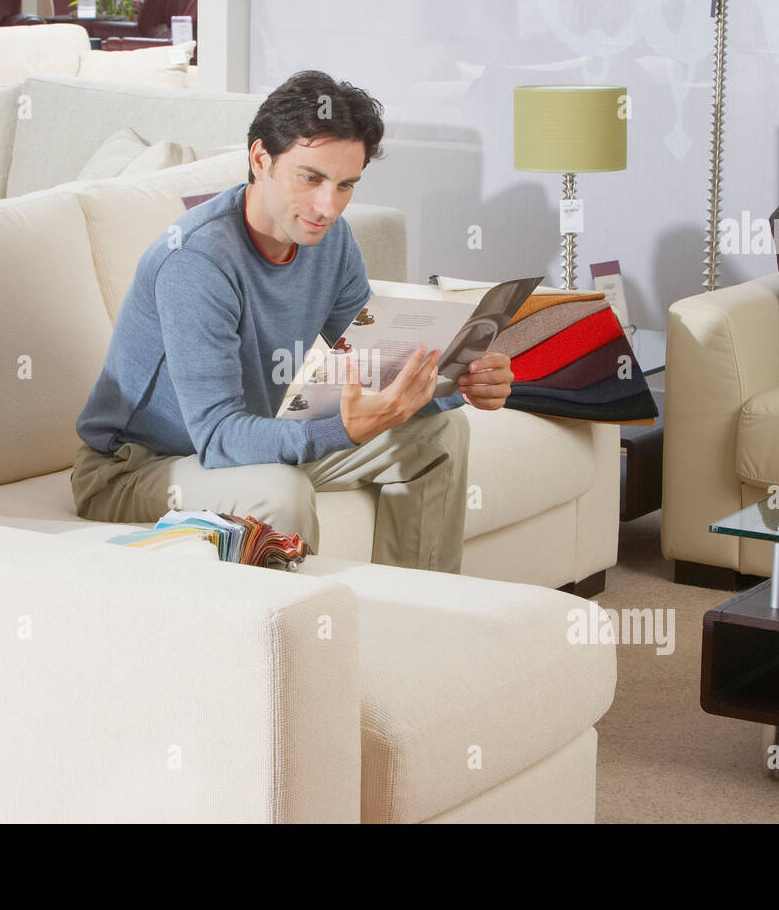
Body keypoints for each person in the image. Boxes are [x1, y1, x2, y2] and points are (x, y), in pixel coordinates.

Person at [71, 70, 514, 572]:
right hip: (132, 469)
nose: (328, 207)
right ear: (261, 160)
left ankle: (413, 608)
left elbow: (376, 362)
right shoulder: (198, 261)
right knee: (282, 490)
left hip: (238, 444)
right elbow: (218, 438)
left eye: (345, 185)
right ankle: (310, 623)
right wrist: (342, 430)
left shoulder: (332, 242)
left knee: (440, 435)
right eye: (311, 178)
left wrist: (459, 381)